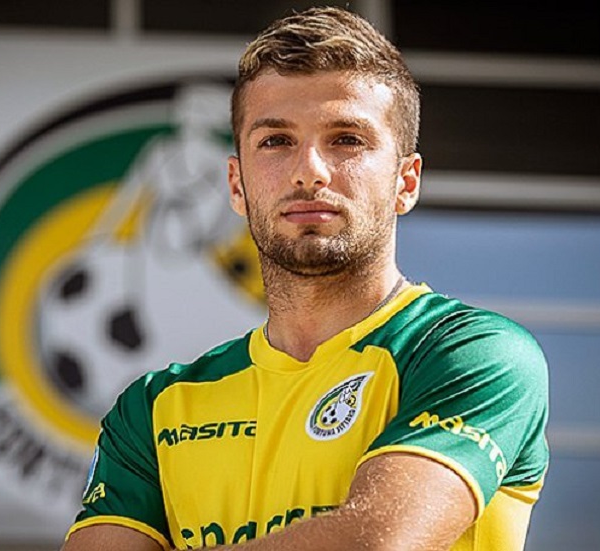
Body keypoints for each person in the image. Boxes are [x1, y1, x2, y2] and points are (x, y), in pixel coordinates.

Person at [61, 6, 548, 551]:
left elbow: (374, 544)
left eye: (347, 139)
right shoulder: (153, 409)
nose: (309, 170)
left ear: (406, 182)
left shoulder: (473, 355)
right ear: (236, 185)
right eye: (276, 141)